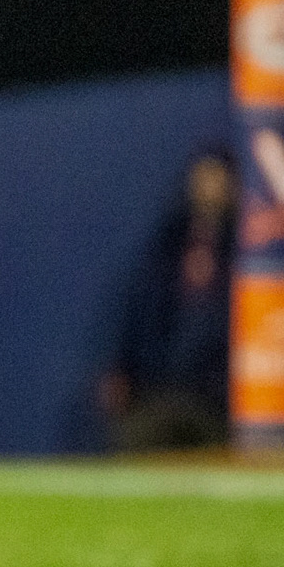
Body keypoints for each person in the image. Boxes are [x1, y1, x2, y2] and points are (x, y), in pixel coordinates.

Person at [102, 149, 236, 452]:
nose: (210, 189)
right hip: (162, 390)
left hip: (219, 397)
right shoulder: (167, 246)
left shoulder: (249, 254)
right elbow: (139, 310)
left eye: (218, 180)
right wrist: (121, 367)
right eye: (204, 179)